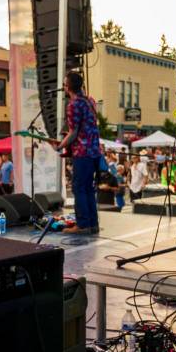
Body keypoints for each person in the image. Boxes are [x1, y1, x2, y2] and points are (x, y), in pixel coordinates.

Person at [57, 71, 101, 234]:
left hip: (82, 153)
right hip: (94, 151)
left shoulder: (74, 104)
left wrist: (61, 145)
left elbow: (74, 132)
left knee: (79, 188)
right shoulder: (90, 101)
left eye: (64, 83)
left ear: (68, 87)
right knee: (88, 188)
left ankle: (82, 225)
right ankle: (92, 224)